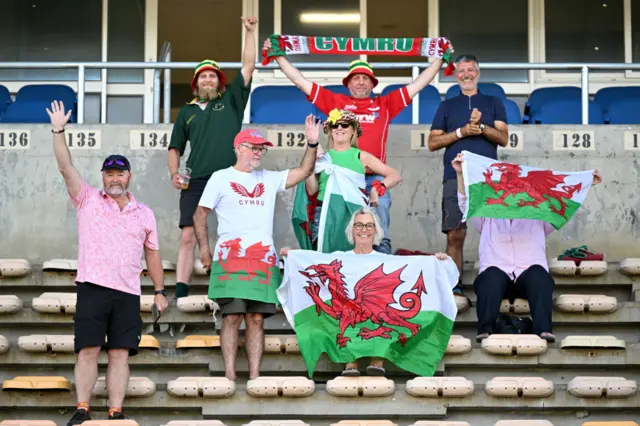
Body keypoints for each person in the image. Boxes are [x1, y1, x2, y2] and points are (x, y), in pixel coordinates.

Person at [264, 37, 450, 254]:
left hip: (375, 178)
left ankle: (381, 282)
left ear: (372, 84)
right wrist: (278, 56)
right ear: (348, 83)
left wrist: (439, 59)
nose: (361, 82)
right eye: (356, 78)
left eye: (365, 78)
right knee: (341, 233)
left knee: (380, 235)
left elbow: (419, 84)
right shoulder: (336, 103)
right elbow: (300, 81)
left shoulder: (385, 104)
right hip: (341, 177)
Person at [47, 101, 169, 425]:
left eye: (120, 173)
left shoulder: (144, 213)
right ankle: (82, 408)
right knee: (87, 350)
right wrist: (59, 131)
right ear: (103, 176)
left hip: (128, 292)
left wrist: (159, 290)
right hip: (92, 287)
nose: (115, 178)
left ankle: (115, 411)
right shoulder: (86, 198)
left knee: (119, 354)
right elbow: (64, 166)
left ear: (129, 176)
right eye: (109, 173)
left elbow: (152, 253)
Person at [193, 117, 319, 381]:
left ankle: (254, 376)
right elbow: (199, 214)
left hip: (263, 258)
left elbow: (304, 171)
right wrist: (205, 250)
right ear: (239, 148)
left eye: (262, 149)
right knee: (232, 316)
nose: (259, 153)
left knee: (257, 320)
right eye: (255, 147)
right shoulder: (221, 177)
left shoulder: (269, 178)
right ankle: (229, 375)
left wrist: (312, 143)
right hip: (230, 257)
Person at [451, 153, 602, 343]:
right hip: (498, 273)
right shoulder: (487, 214)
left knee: (540, 276)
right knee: (489, 278)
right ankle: (485, 330)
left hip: (528, 274)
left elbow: (560, 206)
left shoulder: (538, 214)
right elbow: (466, 203)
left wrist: (585, 185)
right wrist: (460, 175)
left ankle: (543, 330)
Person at [281, 206, 449, 376]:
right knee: (344, 311)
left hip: (372, 309)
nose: (364, 230)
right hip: (353, 309)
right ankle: (350, 361)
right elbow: (313, 262)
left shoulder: (386, 261)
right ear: (352, 230)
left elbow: (416, 266)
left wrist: (437, 261)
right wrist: (292, 256)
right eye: (359, 225)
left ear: (375, 231)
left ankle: (377, 360)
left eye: (369, 226)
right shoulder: (339, 257)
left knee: (374, 314)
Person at [168, 16, 258, 302]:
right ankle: (181, 291)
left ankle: (231, 288)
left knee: (232, 236)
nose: (208, 79)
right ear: (196, 83)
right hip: (197, 179)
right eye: (203, 76)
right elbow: (175, 146)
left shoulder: (231, 100)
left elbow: (248, 66)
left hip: (231, 178)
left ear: (220, 82)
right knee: (188, 236)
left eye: (213, 75)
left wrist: (249, 32)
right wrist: (174, 172)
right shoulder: (187, 111)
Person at [428, 54, 509, 294]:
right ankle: (454, 286)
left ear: (478, 73)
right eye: (461, 71)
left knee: (495, 232)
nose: (466, 75)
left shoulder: (494, 102)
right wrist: (461, 132)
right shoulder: (446, 105)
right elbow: (433, 143)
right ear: (456, 75)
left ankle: (499, 283)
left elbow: (503, 138)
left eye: (470, 70)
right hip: (455, 176)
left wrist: (482, 127)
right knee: (455, 233)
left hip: (488, 177)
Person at [306, 109, 402, 250]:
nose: (339, 128)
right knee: (325, 262)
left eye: (345, 125)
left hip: (353, 214)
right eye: (334, 125)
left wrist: (377, 188)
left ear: (353, 131)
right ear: (330, 131)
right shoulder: (321, 157)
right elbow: (312, 189)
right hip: (326, 214)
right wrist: (311, 160)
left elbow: (395, 175)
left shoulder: (361, 156)